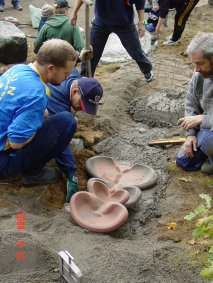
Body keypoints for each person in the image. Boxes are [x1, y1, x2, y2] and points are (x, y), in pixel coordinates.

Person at [0, 39, 79, 199]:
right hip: (3, 162)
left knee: (43, 116)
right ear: (51, 68)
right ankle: (33, 173)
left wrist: (38, 116)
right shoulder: (37, 93)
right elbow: (16, 141)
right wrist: (35, 128)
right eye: (66, 73)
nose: (68, 77)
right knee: (66, 122)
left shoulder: (18, 69)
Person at [47, 68, 103, 202]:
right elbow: (61, 141)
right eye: (82, 104)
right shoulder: (56, 102)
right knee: (63, 125)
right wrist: (71, 173)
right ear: (74, 91)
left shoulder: (72, 74)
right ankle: (32, 172)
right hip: (16, 134)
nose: (82, 109)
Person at [71, 0, 153, 82]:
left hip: (124, 23)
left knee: (136, 51)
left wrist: (141, 22)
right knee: (91, 53)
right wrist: (74, 12)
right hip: (101, 22)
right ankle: (84, 80)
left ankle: (147, 69)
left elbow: (140, 2)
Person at [176, 32, 213, 174]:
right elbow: (191, 102)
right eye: (195, 63)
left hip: (208, 125)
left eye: (200, 63)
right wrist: (190, 134)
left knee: (209, 142)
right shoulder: (199, 74)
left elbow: (201, 118)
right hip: (207, 127)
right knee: (184, 161)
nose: (196, 69)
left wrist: (203, 119)